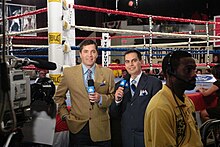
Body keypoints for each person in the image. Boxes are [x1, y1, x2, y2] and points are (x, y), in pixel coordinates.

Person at [54, 40, 115, 147]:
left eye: (93, 51)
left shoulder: (108, 73)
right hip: (77, 127)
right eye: (86, 51)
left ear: (97, 54)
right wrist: (65, 116)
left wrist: (100, 98)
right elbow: (58, 97)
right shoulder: (69, 73)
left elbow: (112, 97)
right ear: (80, 54)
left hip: (101, 128)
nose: (89, 55)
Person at [144, 50, 203, 147]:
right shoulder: (160, 108)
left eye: (194, 69)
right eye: (188, 70)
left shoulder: (187, 101)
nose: (194, 74)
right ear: (170, 73)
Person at [110, 49, 162, 147]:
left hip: (147, 137)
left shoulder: (153, 83)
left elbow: (158, 113)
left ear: (141, 62)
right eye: (127, 62)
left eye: (134, 60)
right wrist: (117, 101)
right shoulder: (119, 86)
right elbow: (114, 114)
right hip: (126, 138)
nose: (131, 64)